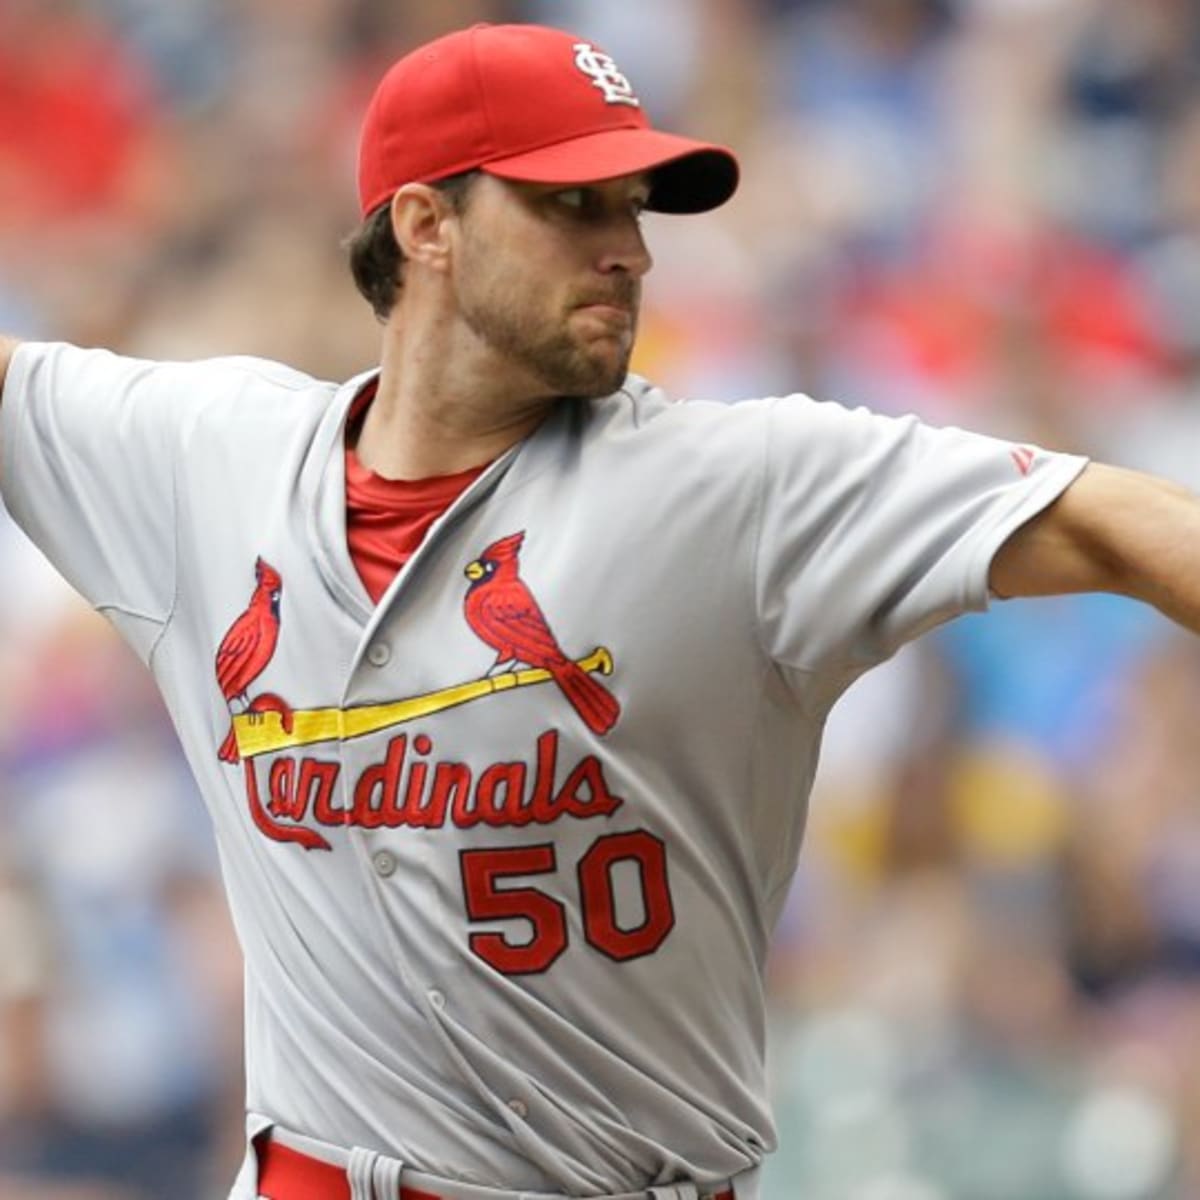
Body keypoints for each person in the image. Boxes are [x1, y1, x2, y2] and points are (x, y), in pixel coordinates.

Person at [1, 20, 1199, 1200]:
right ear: (425, 226)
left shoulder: (741, 486)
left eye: (631, 206)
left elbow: (1115, 520)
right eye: (571, 206)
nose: (630, 248)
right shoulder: (204, 456)